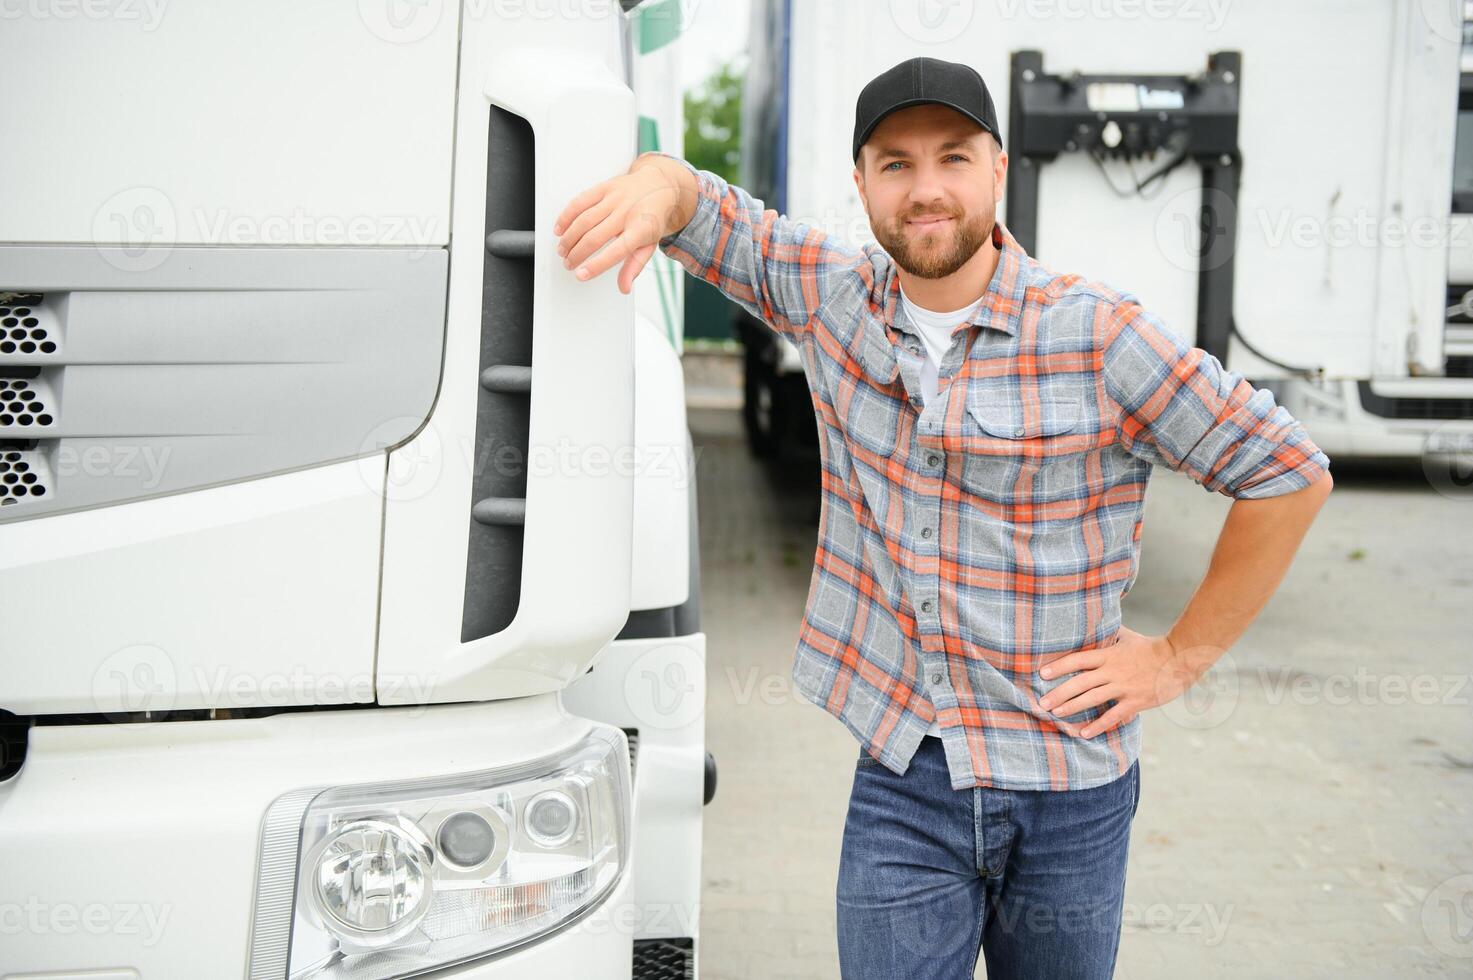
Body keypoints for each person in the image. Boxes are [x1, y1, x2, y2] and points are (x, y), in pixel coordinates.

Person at [554, 55, 1332, 980]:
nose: (925, 190)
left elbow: (1286, 473)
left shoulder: (1097, 336)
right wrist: (651, 184)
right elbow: (702, 207)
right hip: (904, 777)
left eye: (952, 158)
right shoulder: (833, 301)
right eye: (895, 163)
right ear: (862, 184)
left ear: (996, 171)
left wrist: (1174, 659)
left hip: (1068, 787)